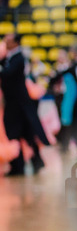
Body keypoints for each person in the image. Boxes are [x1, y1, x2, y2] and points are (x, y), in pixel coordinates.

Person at [0, 34, 49, 175]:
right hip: (13, 105)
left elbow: (7, 74)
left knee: (27, 134)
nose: (5, 43)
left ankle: (33, 163)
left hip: (20, 104)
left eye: (8, 41)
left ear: (15, 43)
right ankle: (18, 166)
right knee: (16, 134)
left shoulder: (19, 58)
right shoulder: (9, 57)